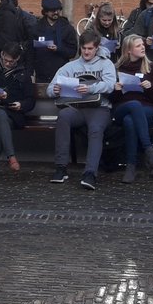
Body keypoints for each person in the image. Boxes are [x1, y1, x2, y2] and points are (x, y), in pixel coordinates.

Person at [49, 30, 117, 190]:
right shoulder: (70, 66)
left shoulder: (106, 64)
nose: (86, 52)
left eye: (90, 49)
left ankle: (90, 173)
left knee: (95, 128)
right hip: (77, 108)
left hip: (99, 108)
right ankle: (61, 168)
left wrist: (90, 88)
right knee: (63, 116)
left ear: (96, 48)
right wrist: (55, 90)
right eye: (84, 48)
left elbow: (110, 85)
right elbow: (50, 89)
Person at [0, 42, 34, 183]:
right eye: (6, 60)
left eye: (11, 62)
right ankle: (11, 156)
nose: (8, 64)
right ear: (2, 54)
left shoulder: (23, 73)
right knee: (0, 114)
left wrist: (20, 105)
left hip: (14, 114)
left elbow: (30, 100)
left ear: (17, 59)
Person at [111, 35, 153, 183]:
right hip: (122, 108)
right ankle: (148, 149)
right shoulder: (117, 68)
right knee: (134, 105)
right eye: (138, 45)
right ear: (128, 50)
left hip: (146, 109)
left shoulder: (151, 67)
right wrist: (116, 90)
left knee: (130, 121)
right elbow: (111, 99)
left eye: (142, 45)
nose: (143, 47)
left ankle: (131, 166)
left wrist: (150, 87)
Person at [31, 0, 78, 83]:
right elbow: (31, 52)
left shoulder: (67, 28)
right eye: (53, 11)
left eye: (58, 10)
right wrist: (30, 72)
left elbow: (72, 52)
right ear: (45, 12)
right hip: (42, 75)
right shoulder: (36, 28)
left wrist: (58, 49)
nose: (56, 12)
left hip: (62, 74)